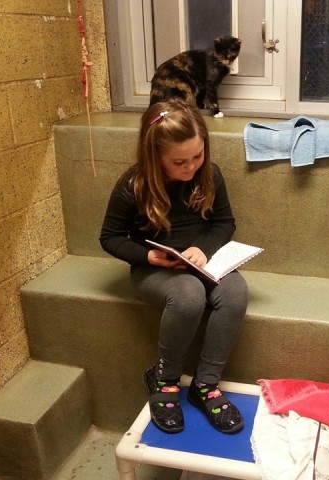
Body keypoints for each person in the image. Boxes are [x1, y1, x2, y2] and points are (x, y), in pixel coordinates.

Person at [99, 99, 248, 434]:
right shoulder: (133, 186)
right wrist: (148, 256)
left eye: (198, 155)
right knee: (189, 294)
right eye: (179, 162)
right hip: (154, 269)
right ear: (154, 156)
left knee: (236, 291)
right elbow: (109, 238)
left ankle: (205, 384)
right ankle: (165, 379)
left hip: (202, 262)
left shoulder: (210, 174)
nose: (191, 167)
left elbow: (224, 223)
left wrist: (203, 248)